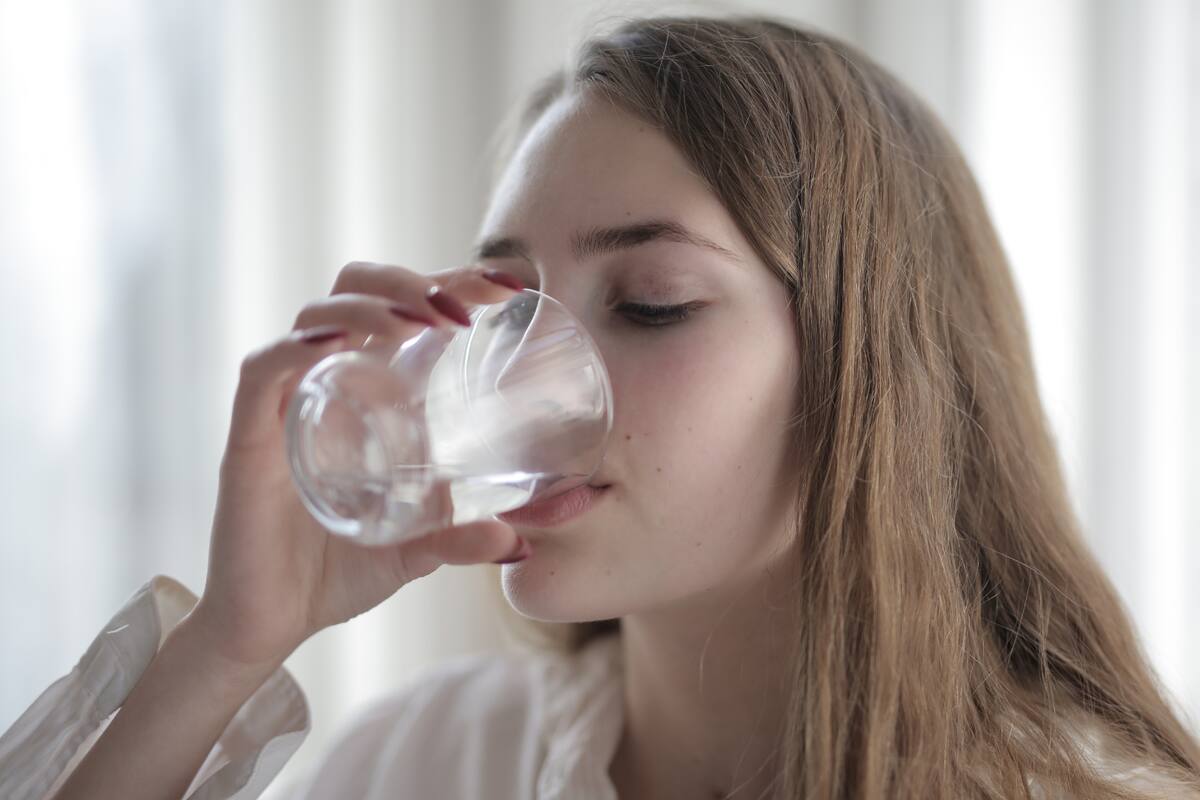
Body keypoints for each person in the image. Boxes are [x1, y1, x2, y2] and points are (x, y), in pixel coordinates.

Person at [2, 12, 1198, 800]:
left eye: (652, 302)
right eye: (507, 309)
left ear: (872, 368)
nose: (521, 381)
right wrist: (226, 646)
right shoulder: (434, 758)